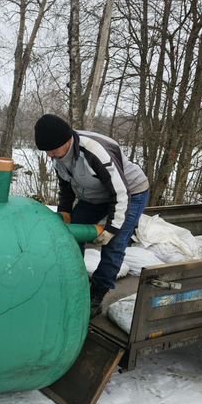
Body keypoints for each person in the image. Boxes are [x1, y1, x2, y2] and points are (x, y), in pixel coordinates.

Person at [34, 113, 150, 318]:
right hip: (95, 195)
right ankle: (71, 281)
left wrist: (112, 229)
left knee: (114, 245)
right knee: (69, 233)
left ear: (66, 141)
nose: (49, 155)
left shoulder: (95, 153)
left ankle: (96, 295)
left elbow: (119, 192)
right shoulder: (58, 156)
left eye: (52, 150)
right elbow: (66, 186)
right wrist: (65, 212)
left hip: (130, 192)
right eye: (46, 152)